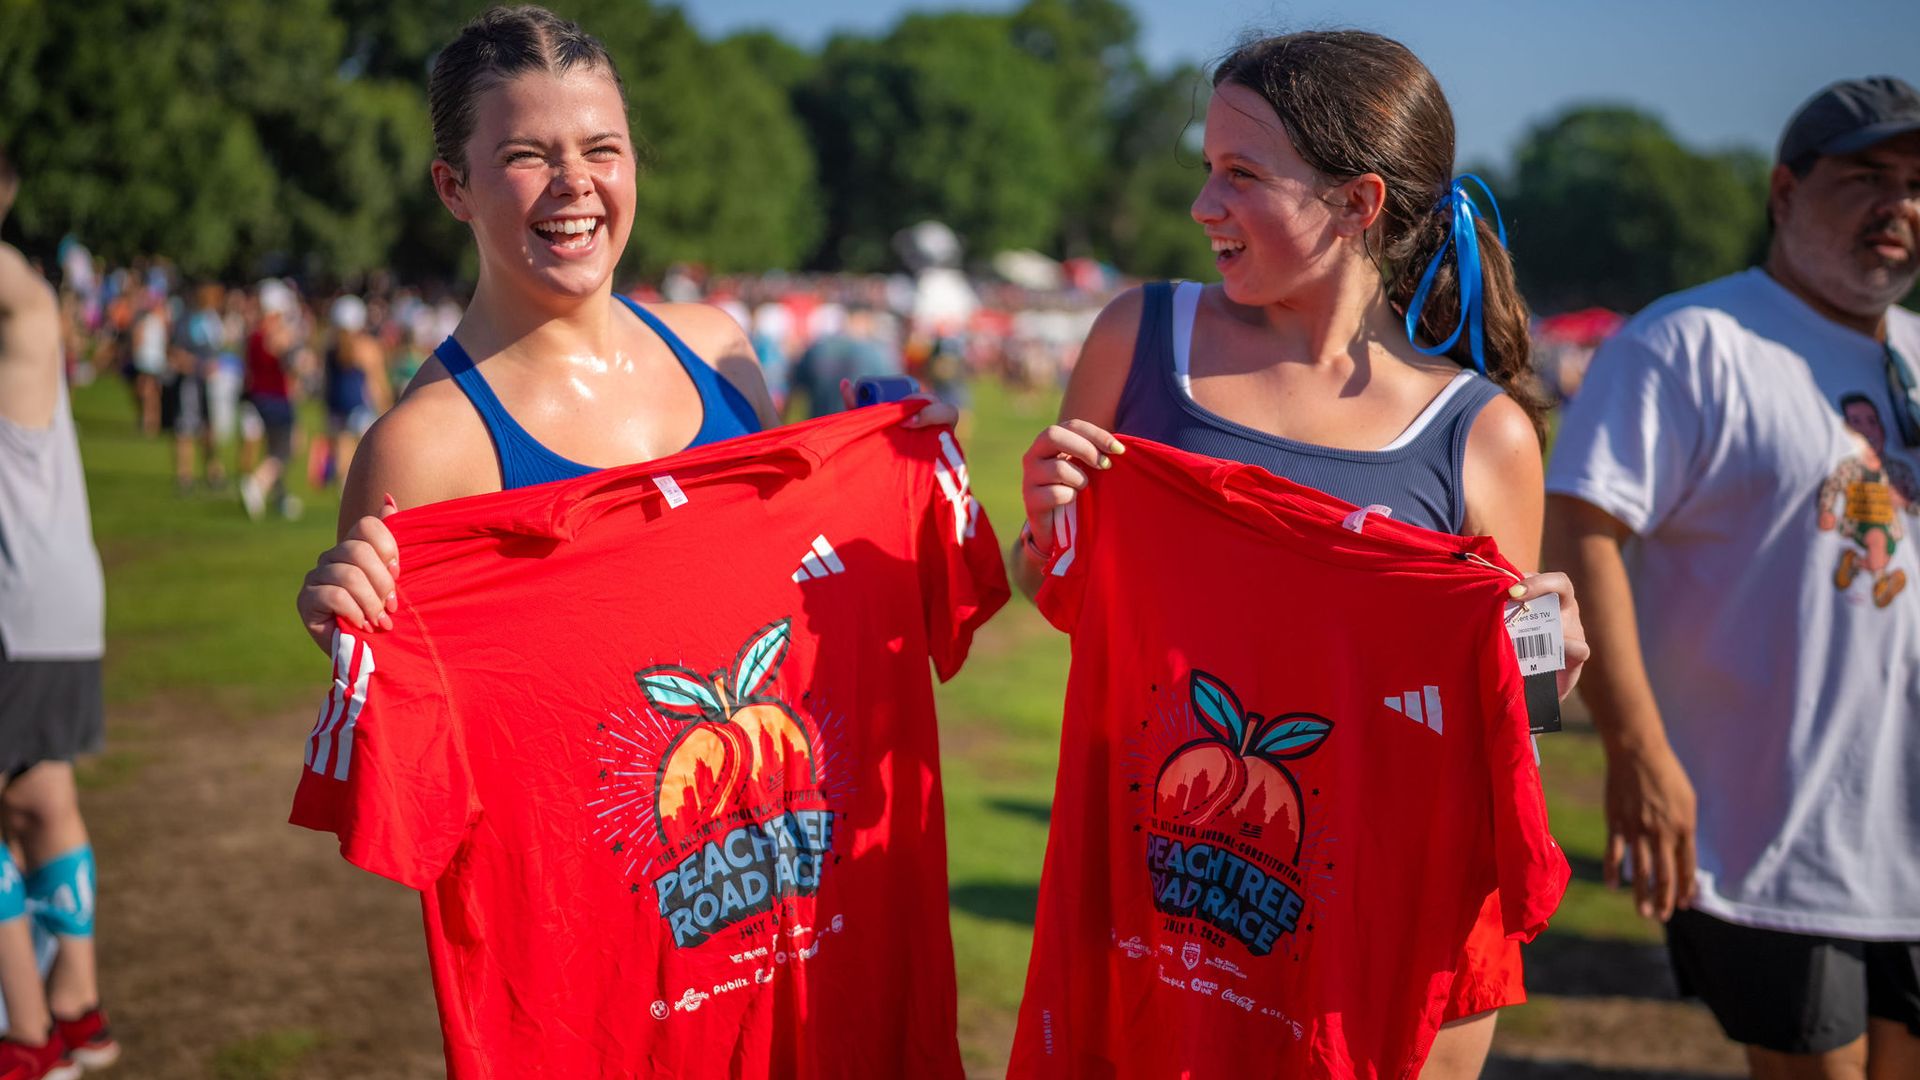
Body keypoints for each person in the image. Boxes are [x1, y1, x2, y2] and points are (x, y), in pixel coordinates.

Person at [1011, 31, 1587, 1077]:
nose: (1202, 207)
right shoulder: (1136, 341)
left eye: (1242, 175)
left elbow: (1520, 722)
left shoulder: (1476, 433)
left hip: (1366, 924)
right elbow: (1063, 599)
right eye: (1205, 170)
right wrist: (1048, 528)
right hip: (1158, 884)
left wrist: (1545, 665)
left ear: (1358, 203)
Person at [292, 5, 948, 647]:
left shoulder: (718, 352)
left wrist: (887, 476)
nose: (574, 182)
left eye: (602, 149)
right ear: (452, 187)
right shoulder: (422, 450)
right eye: (526, 155)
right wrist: (356, 635)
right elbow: (433, 731)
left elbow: (781, 593)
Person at [1544, 76, 1920, 1078]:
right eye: (1869, 176)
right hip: (1770, 828)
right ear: (1785, 192)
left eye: (1919, 185)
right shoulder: (1692, 341)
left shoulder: (1917, 358)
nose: (1900, 206)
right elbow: (1577, 534)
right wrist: (1634, 751)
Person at [0, 144, 119, 1080]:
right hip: (50, 601)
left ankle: (27, 1032)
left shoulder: (25, 307)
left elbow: (30, 301)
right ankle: (77, 1011)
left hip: (18, 600)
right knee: (43, 797)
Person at [237, 282, 300, 521]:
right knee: (283, 450)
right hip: (276, 398)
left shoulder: (253, 334)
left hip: (257, 396)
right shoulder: (276, 334)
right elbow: (293, 365)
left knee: (274, 447)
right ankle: (257, 484)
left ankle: (280, 497)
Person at [320, 294, 390, 486]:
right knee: (369, 459)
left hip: (335, 407)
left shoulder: (329, 348)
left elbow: (326, 381)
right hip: (360, 409)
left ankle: (345, 495)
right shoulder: (367, 347)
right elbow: (378, 383)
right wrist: (386, 407)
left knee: (343, 460)